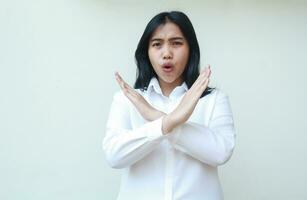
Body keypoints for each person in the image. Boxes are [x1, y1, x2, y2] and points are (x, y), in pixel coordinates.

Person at [103, 11, 236, 200]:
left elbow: (221, 152)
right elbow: (114, 155)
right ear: (146, 52)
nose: (167, 54)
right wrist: (167, 123)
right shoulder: (126, 99)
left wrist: (154, 116)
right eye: (157, 44)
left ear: (191, 49)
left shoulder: (214, 99)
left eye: (177, 43)